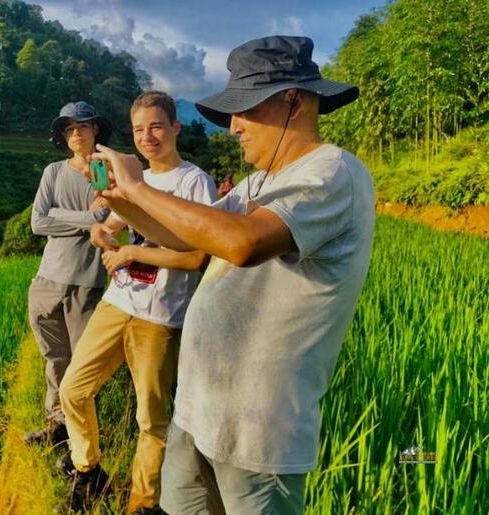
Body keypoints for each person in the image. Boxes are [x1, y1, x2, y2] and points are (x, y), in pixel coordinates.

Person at [87, 36, 375, 514]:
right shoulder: (255, 183)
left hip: (258, 432)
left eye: (244, 109)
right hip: (199, 411)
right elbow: (189, 236)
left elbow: (243, 243)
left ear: (292, 101)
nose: (234, 127)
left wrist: (140, 186)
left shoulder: (332, 173)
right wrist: (124, 200)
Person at [57, 91, 217, 514]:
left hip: (161, 316)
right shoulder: (138, 179)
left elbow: (196, 256)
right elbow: (115, 221)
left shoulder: (193, 182)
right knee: (73, 389)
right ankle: (88, 472)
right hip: (118, 303)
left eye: (157, 127)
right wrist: (103, 231)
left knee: (152, 420)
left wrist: (131, 252)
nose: (148, 137)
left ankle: (143, 504)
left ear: (175, 127)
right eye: (139, 130)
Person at [25, 101, 114, 446]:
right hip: (48, 279)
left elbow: (108, 218)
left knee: (83, 365)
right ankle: (56, 426)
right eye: (69, 129)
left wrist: (68, 217)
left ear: (95, 131)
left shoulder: (103, 171)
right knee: (55, 358)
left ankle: (84, 437)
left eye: (83, 126)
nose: (76, 133)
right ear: (65, 136)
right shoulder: (53, 172)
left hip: (86, 282)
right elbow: (37, 222)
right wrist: (86, 219)